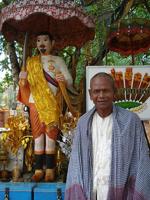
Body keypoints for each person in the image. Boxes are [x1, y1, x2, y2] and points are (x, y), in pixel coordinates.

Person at [65, 72, 150, 200]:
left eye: (106, 91)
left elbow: (141, 159)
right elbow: (76, 162)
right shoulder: (83, 123)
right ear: (90, 94)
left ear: (114, 92)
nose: (101, 96)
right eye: (96, 91)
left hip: (123, 193)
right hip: (90, 192)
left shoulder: (131, 121)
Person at [18, 32, 73, 182]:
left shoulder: (58, 60)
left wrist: (64, 79)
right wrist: (22, 81)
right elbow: (24, 86)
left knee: (50, 135)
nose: (41, 43)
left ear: (52, 43)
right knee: (38, 136)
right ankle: (37, 170)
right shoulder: (30, 62)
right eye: (38, 40)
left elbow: (69, 80)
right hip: (35, 102)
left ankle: (50, 170)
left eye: (45, 40)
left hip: (52, 103)